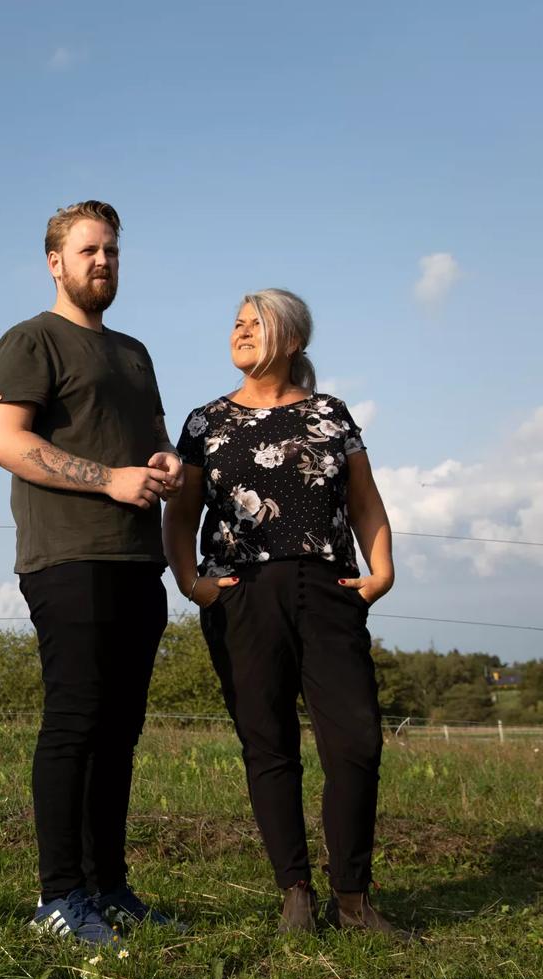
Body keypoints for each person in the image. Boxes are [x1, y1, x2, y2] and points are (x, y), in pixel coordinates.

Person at [162, 288, 408, 938]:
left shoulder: (331, 414)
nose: (241, 331)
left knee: (355, 744)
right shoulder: (204, 423)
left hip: (329, 591)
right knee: (268, 744)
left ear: (292, 339)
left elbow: (366, 502)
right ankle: (295, 896)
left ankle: (352, 903)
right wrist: (194, 583)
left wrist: (381, 573)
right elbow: (181, 513)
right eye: (236, 324)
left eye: (256, 323)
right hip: (241, 593)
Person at [0, 201, 182, 948]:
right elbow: (4, 442)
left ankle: (109, 887)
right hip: (68, 557)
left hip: (138, 560)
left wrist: (167, 463)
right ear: (55, 262)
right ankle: (58, 896)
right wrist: (107, 480)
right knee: (74, 722)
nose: (104, 262)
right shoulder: (31, 339)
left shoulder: (134, 352)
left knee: (120, 732)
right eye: (89, 250)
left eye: (113, 252)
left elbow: (154, 442)